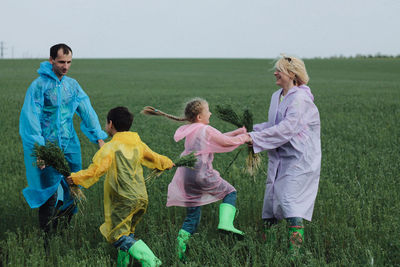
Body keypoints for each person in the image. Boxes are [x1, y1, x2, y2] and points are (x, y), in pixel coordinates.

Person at [142, 98, 251, 261]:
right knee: (230, 192)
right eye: (208, 111)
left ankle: (179, 252)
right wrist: (246, 138)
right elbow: (225, 142)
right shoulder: (205, 129)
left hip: (186, 175)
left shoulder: (191, 129)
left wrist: (237, 133)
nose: (211, 113)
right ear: (200, 117)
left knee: (192, 216)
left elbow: (217, 138)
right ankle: (226, 224)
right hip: (202, 173)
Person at [67, 106, 174, 267]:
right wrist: (167, 162)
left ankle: (152, 261)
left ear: (110, 124)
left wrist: (75, 178)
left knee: (117, 236)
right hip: (141, 198)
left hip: (122, 199)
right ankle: (123, 264)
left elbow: (96, 170)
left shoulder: (111, 147)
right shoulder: (138, 144)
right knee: (127, 233)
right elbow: (154, 157)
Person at [19, 43, 107, 233]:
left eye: (68, 62)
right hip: (47, 146)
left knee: (72, 185)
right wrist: (39, 151)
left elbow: (87, 110)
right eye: (61, 62)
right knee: (49, 191)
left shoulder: (72, 85)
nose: (65, 66)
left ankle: (63, 229)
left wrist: (99, 138)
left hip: (70, 145)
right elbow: (31, 119)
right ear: (51, 60)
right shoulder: (38, 86)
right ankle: (46, 235)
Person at [247, 55, 321, 255]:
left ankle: (293, 256)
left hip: (298, 160)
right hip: (280, 159)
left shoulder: (300, 98)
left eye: (279, 70)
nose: (275, 73)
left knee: (290, 202)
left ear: (292, 74)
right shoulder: (276, 96)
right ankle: (267, 251)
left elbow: (287, 129)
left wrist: (253, 138)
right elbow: (273, 126)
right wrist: (248, 131)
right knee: (270, 205)